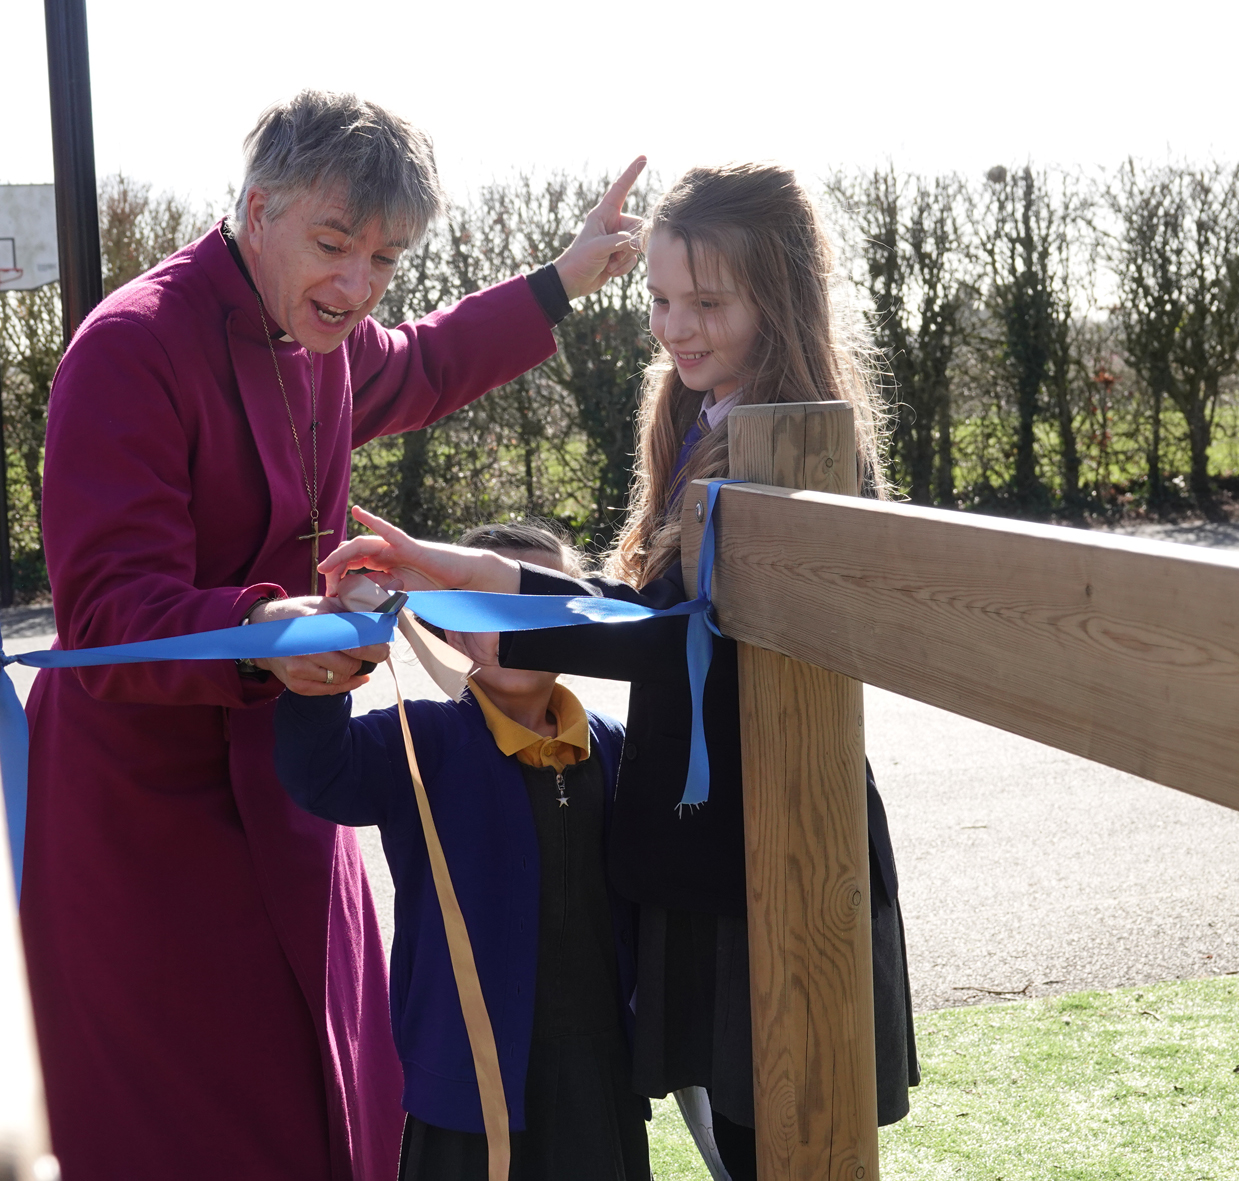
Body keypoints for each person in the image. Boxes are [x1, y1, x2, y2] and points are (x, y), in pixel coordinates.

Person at [23, 89, 644, 1181]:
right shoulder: (128, 347)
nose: (357, 286)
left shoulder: (327, 338)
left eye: (386, 259)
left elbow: (430, 359)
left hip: (286, 781)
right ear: (255, 207)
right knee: (185, 1127)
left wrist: (560, 279)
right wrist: (265, 628)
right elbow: (109, 609)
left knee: (334, 1106)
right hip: (144, 818)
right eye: (332, 244)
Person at [319, 163, 919, 1181]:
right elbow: (656, 617)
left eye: (707, 302)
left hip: (785, 854)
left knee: (783, 1144)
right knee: (736, 1144)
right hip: (702, 863)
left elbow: (682, 638)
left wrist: (501, 601)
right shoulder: (693, 420)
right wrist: (483, 577)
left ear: (777, 298)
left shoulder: (799, 445)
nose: (676, 325)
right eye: (659, 299)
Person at [276, 522, 649, 1181]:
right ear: (448, 628)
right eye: (488, 607)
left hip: (599, 1077)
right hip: (464, 1087)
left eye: (539, 609)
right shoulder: (424, 740)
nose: (517, 629)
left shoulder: (615, 746)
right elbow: (319, 773)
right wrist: (344, 649)